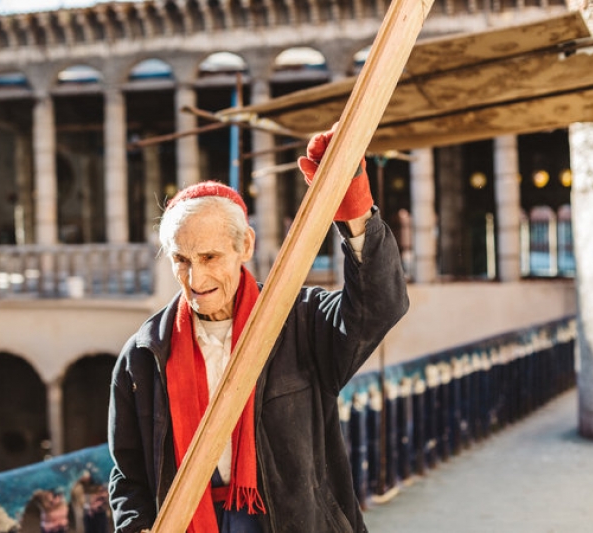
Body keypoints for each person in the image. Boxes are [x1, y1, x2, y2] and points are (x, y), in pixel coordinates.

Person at [108, 124, 409, 533]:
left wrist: (354, 211)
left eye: (211, 256)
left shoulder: (298, 319)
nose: (195, 278)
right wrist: (135, 525)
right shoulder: (144, 355)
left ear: (244, 247)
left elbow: (379, 306)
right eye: (181, 259)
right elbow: (127, 473)